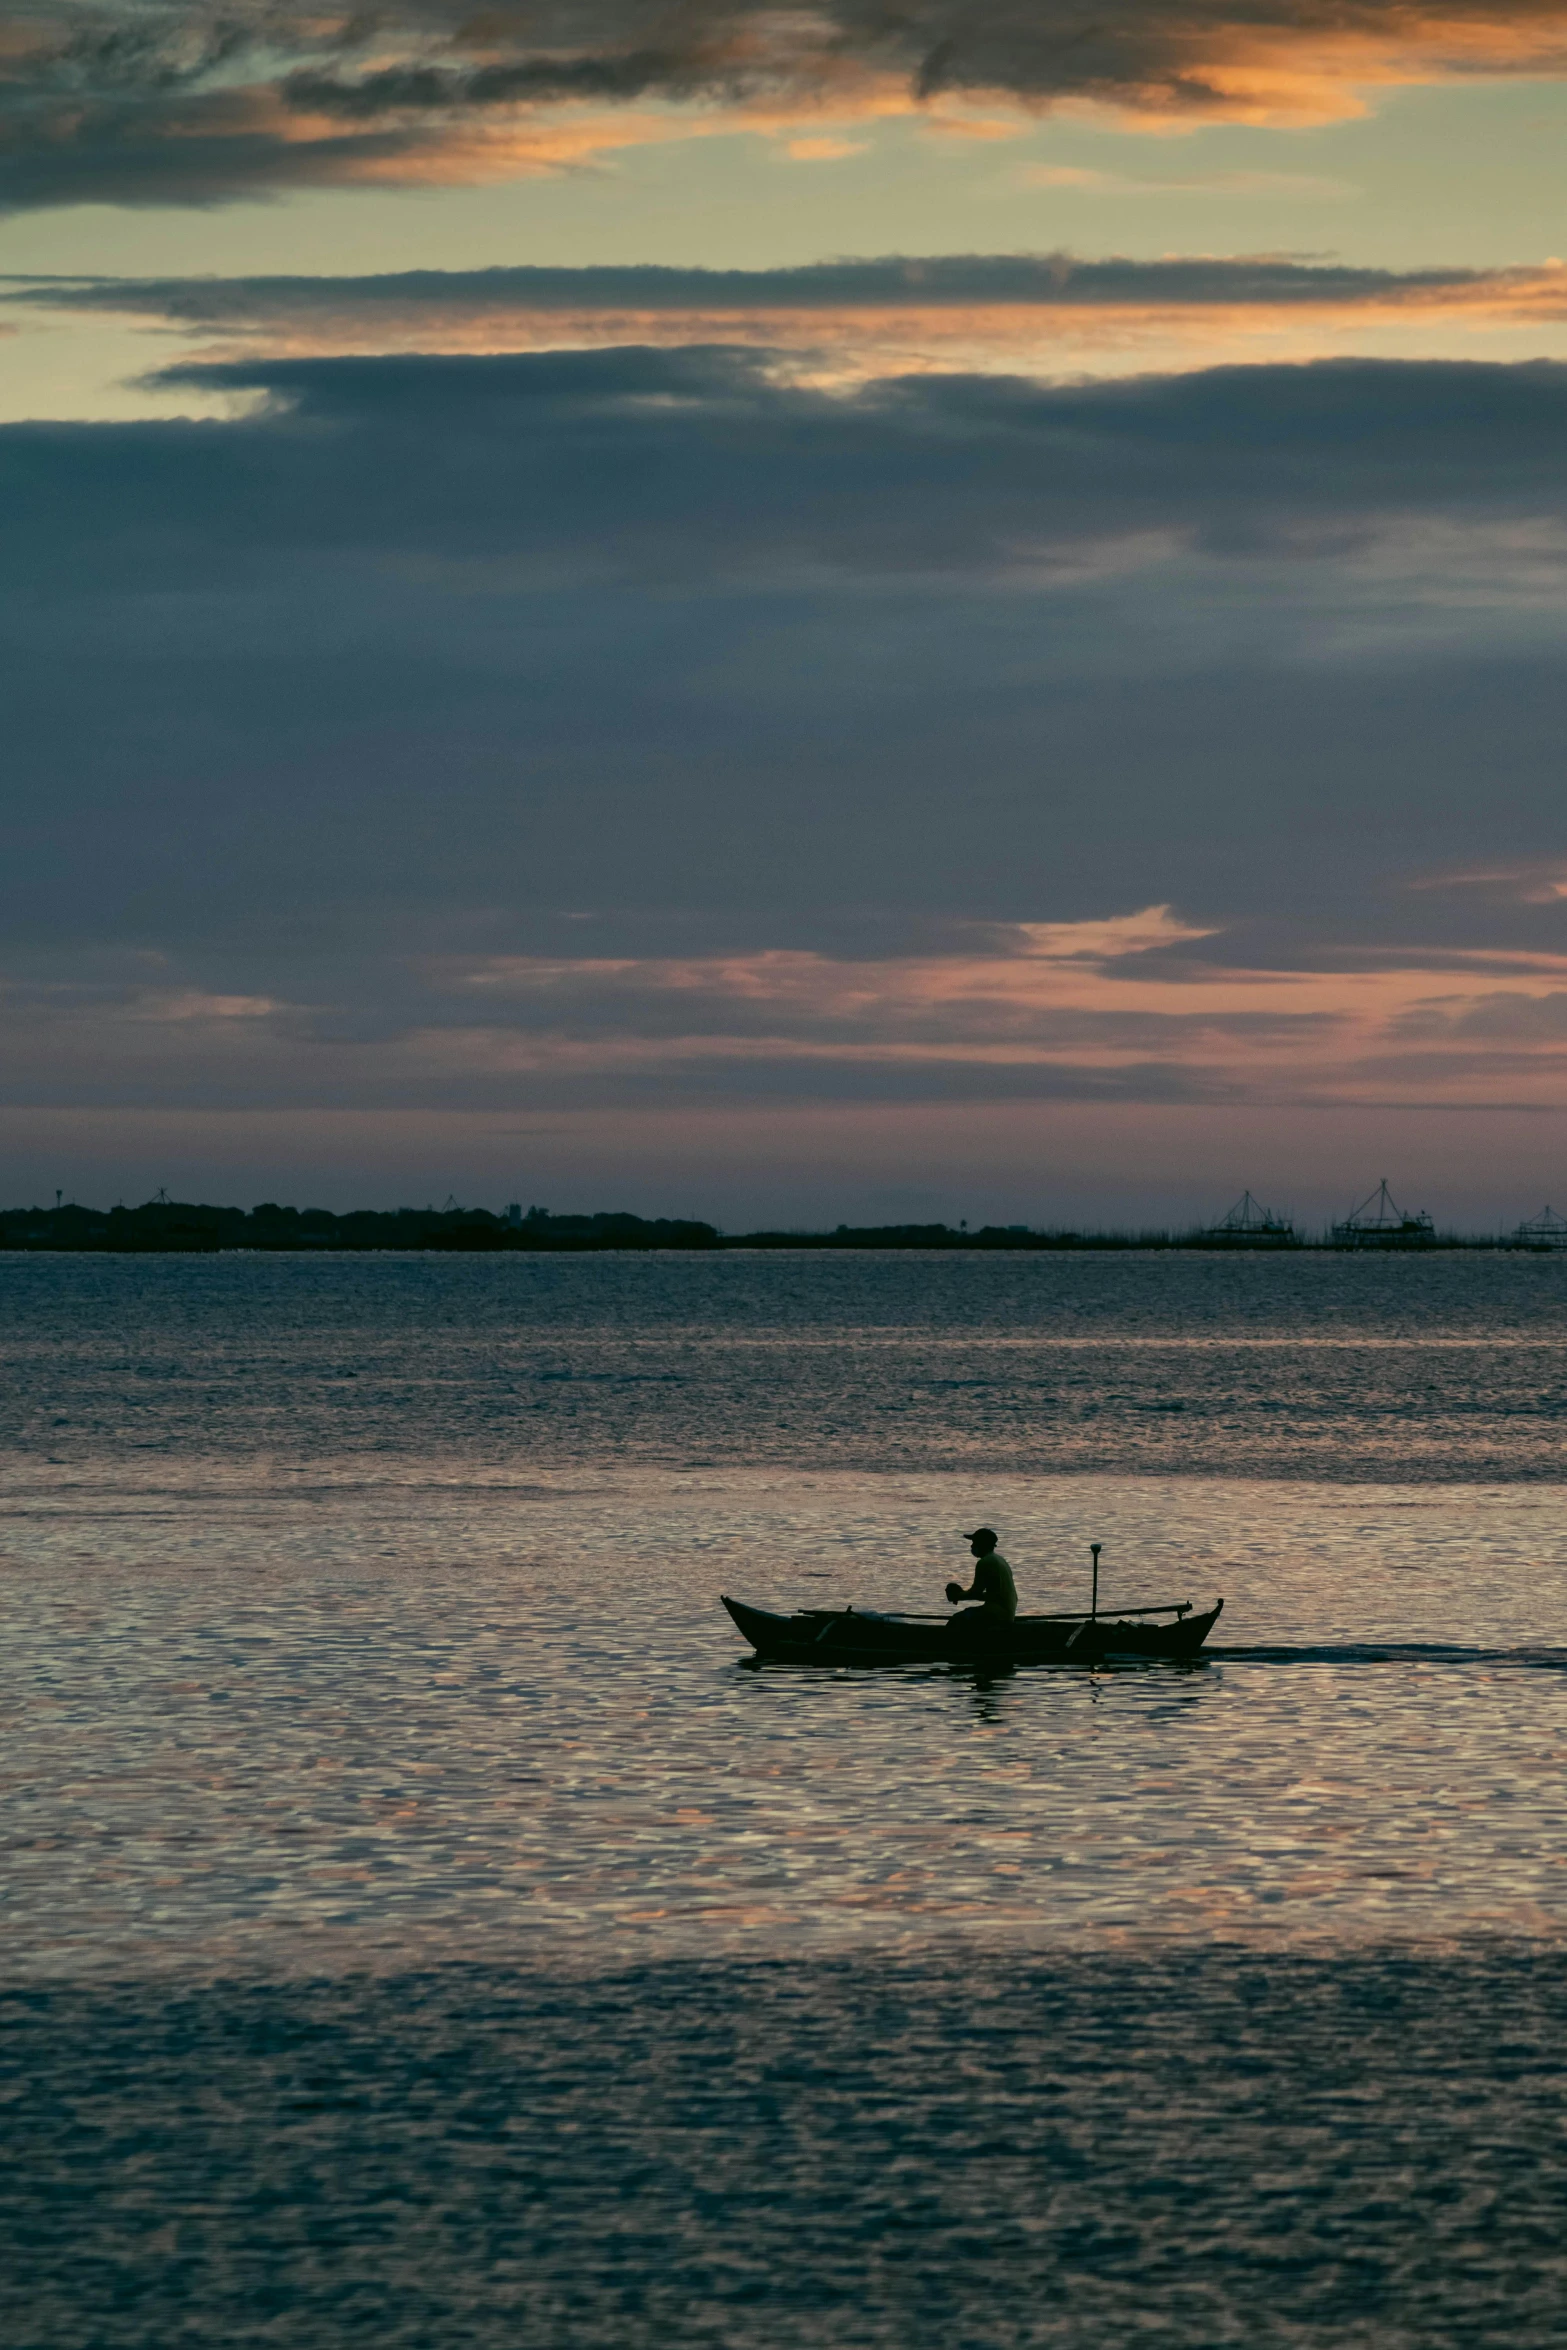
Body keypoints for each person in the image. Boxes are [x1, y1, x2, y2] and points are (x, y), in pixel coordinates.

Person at [945, 1527, 1018, 1645]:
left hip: (997, 1613)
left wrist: (957, 1595)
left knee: (957, 1619)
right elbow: (992, 1595)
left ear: (982, 1544)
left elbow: (975, 1592)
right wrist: (962, 1594)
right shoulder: (1000, 1560)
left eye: (974, 1543)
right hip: (1008, 1612)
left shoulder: (985, 1562)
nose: (972, 1546)